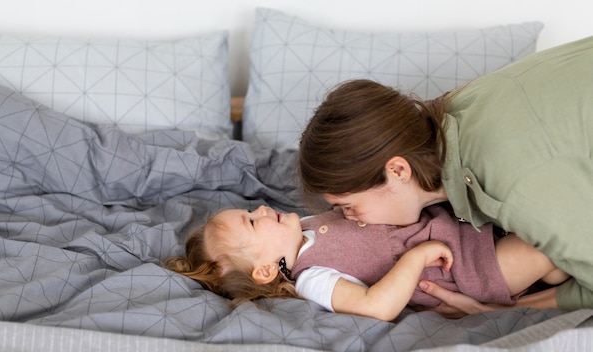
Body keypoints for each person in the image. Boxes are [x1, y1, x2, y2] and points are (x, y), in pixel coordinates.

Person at [297, 36, 593, 315]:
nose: (349, 218)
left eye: (349, 206)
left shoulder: (511, 186)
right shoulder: (454, 106)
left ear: (398, 170)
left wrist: (499, 311)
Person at [165, 204, 568, 322]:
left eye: (251, 208)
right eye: (253, 221)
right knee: (549, 245)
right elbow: (378, 305)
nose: (263, 207)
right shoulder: (311, 279)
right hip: (467, 267)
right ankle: (514, 301)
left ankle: (539, 292)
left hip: (464, 230)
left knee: (556, 260)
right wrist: (417, 255)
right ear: (267, 270)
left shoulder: (303, 226)